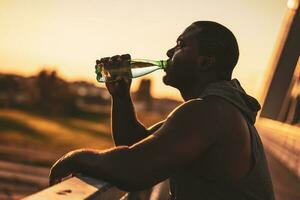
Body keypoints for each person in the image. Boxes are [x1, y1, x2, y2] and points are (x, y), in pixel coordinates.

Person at [49, 21, 275, 199]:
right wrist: (120, 96)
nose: (169, 52)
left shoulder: (209, 112)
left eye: (180, 45)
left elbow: (133, 169)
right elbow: (136, 142)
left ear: (205, 63)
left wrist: (76, 157)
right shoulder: (215, 109)